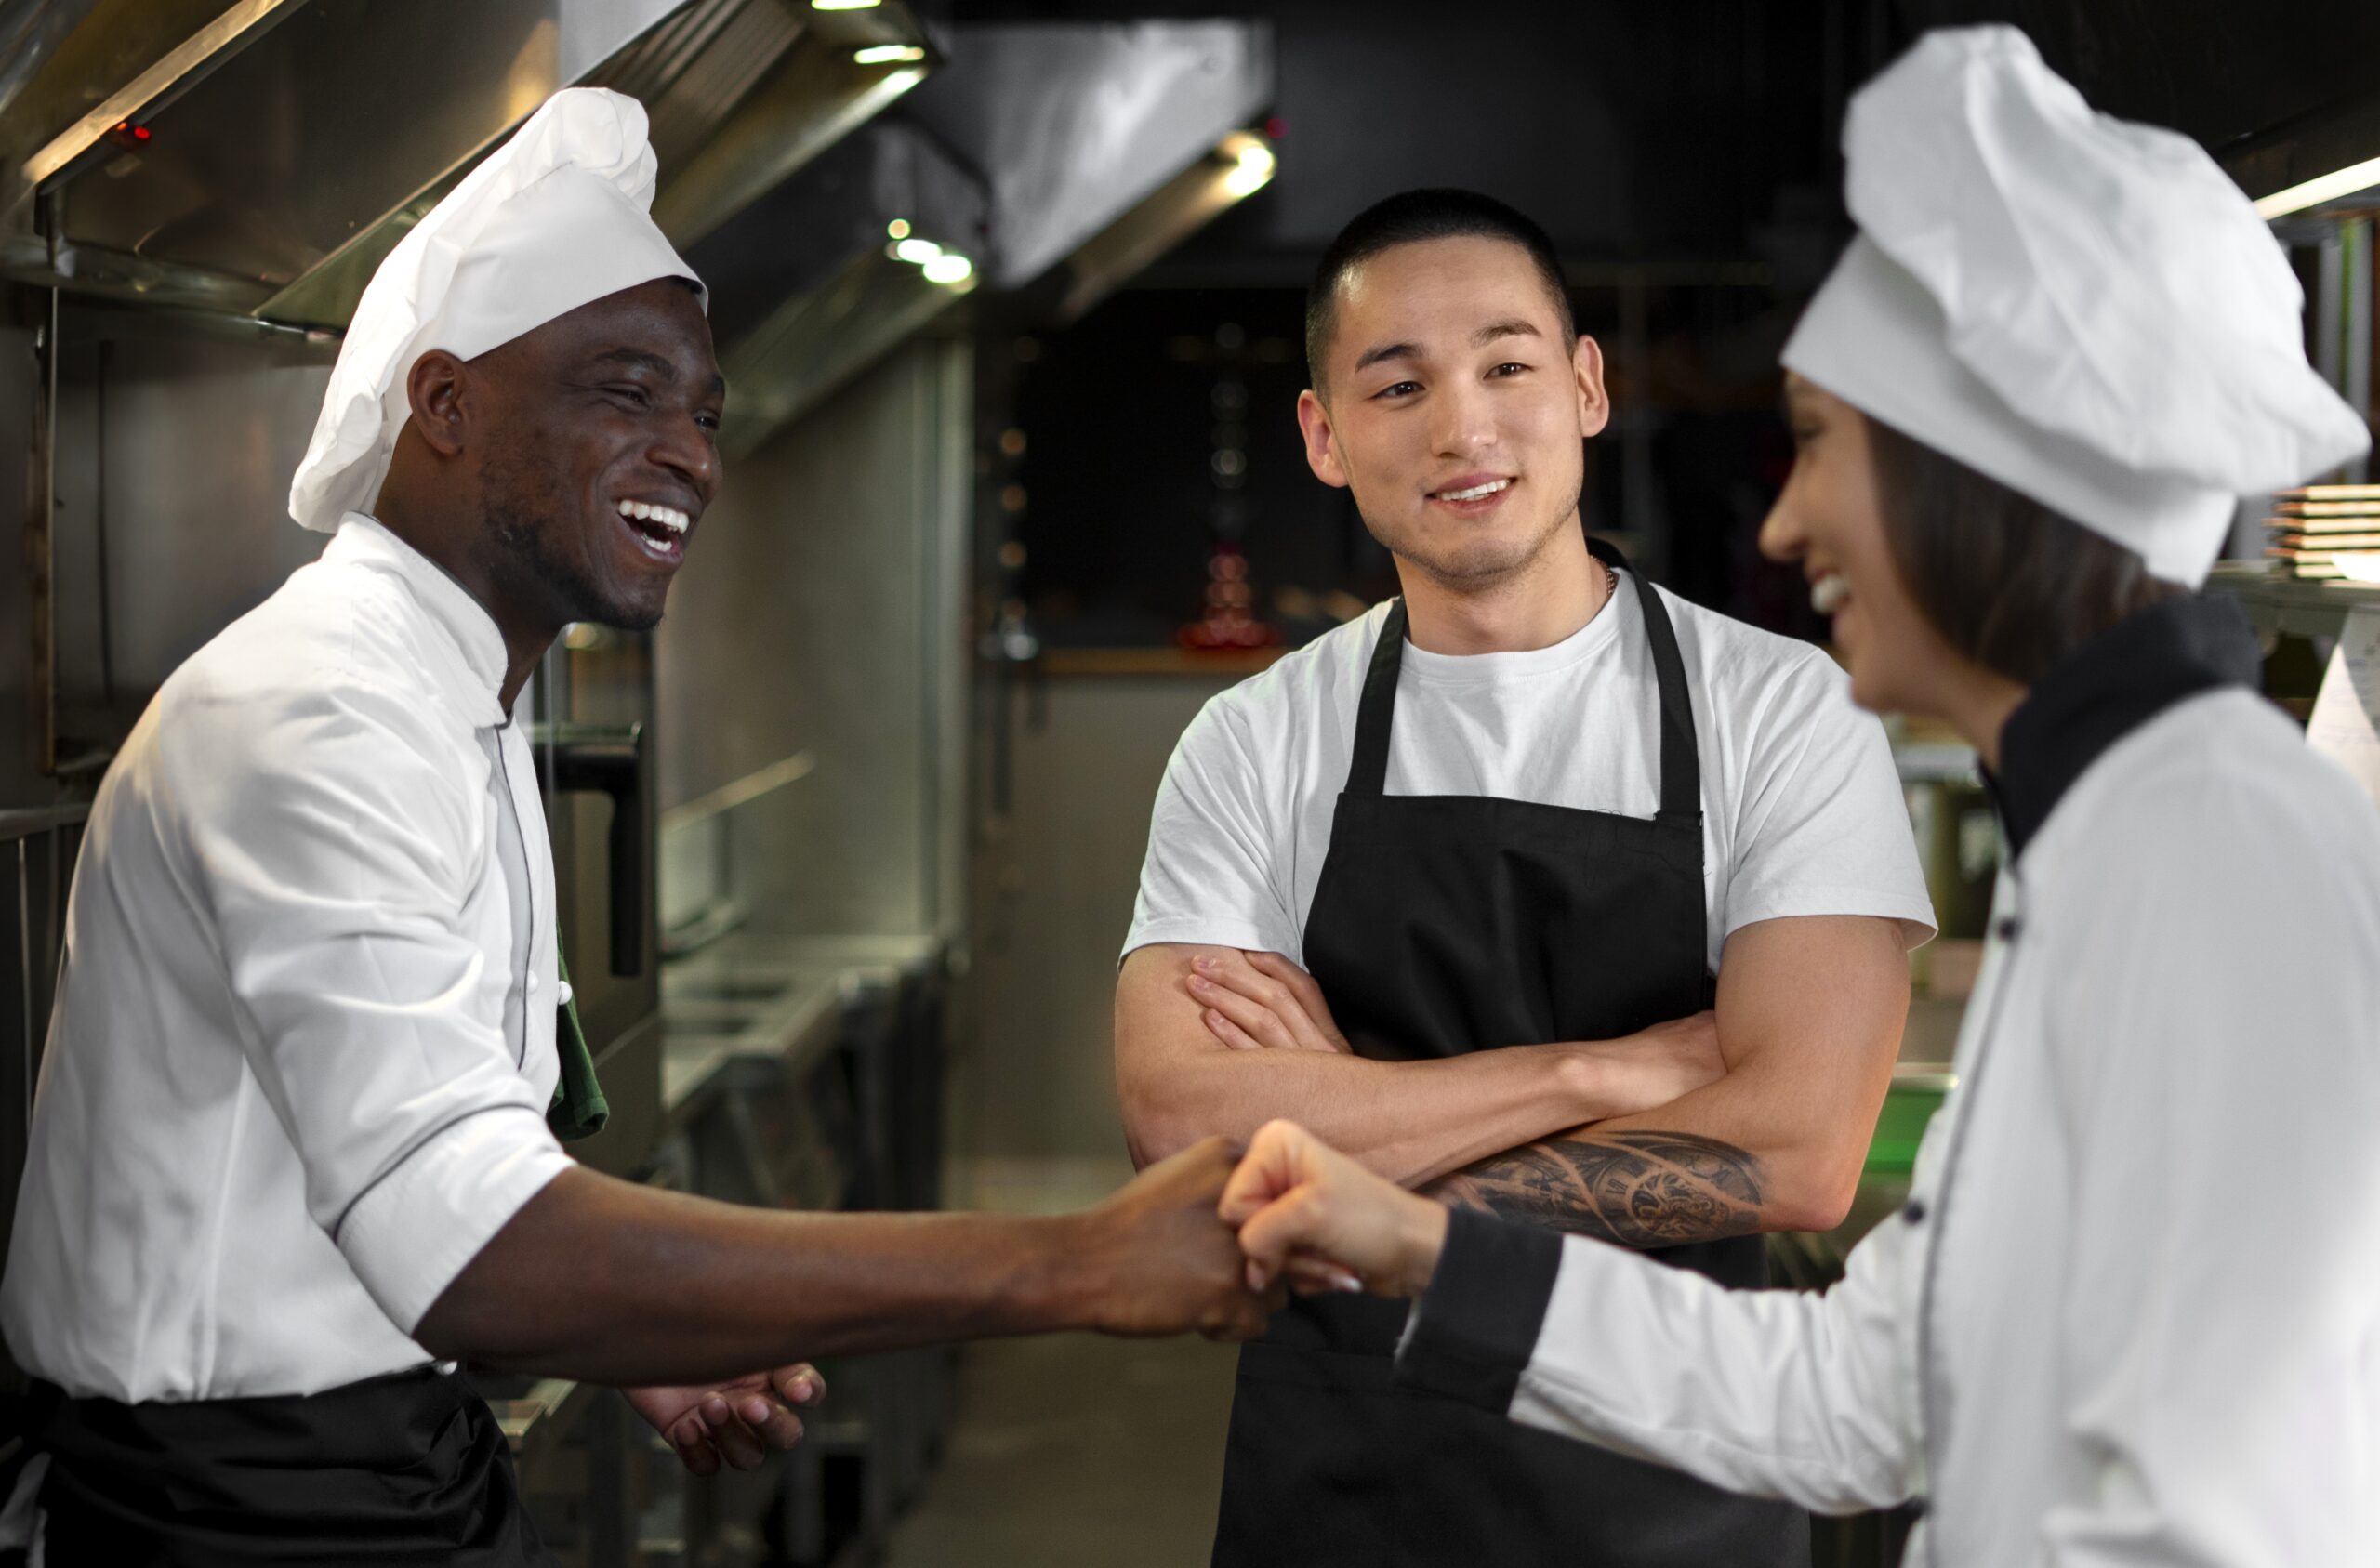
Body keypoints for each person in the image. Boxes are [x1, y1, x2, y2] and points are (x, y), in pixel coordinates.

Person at [0, 89, 1272, 1566]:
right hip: (225, 1517)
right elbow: (463, 1241)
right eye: (624, 388)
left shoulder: (456, 695)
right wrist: (1072, 1263)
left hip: (385, 1453)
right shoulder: (313, 712)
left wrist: (635, 1331)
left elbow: (388, 1191)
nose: (690, 453)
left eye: (704, 412)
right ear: (447, 403)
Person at [1217, 25, 2380, 1567]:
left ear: (1978, 480)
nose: (1783, 515)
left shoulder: (2218, 854)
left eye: (1822, 444)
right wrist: (1415, 1240)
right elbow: (1867, 1391)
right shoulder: (2111, 840)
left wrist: (1401, 1151)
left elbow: (2221, 1518)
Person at [1114, 186, 1937, 1564]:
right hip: (1347, 1489)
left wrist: (1349, 1145)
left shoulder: (1783, 711)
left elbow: (1799, 1155)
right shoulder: (1257, 738)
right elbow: (1179, 1126)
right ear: (1323, 435)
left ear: (1585, 386)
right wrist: (1606, 1071)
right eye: (1398, 385)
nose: (1463, 428)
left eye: (1506, 365)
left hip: (1677, 1484)